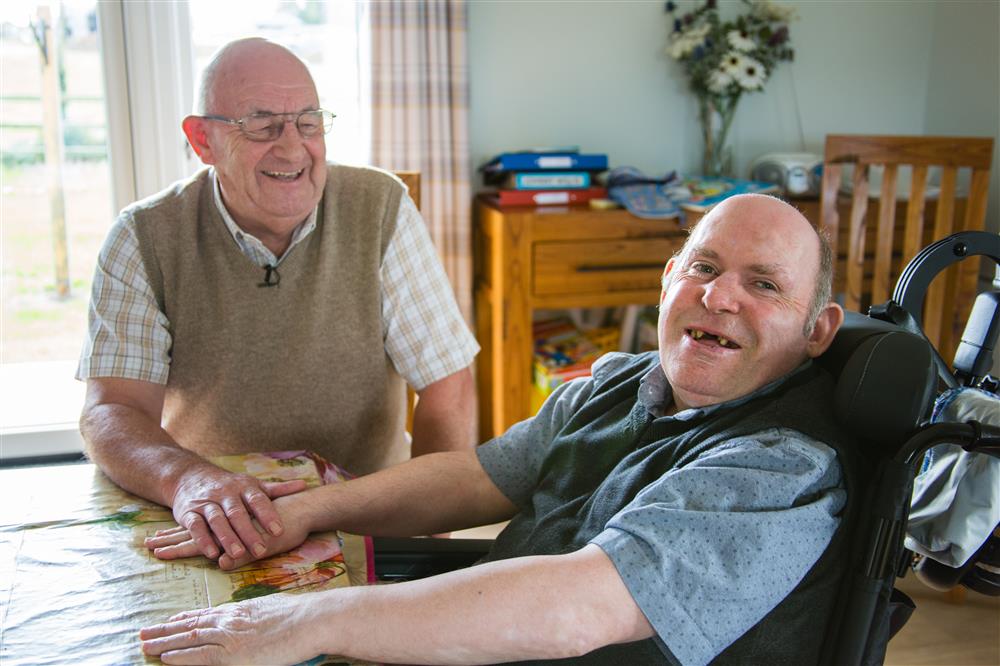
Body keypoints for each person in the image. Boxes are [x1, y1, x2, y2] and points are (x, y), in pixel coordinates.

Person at [139, 194, 849, 665]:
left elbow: (581, 607)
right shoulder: (622, 382)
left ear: (817, 330)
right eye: (703, 267)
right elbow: (479, 477)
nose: (719, 295)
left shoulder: (783, 467)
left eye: (763, 284)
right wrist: (300, 512)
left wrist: (312, 621)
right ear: (668, 281)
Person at [77, 38, 478, 567]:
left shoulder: (379, 207)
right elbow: (113, 410)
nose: (292, 149)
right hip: (214, 524)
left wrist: (427, 542)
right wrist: (189, 480)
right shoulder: (144, 235)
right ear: (203, 140)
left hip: (364, 513)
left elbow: (448, 387)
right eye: (262, 125)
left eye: (308, 123)